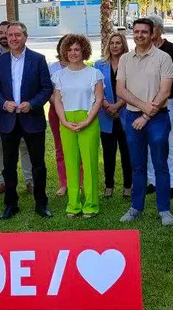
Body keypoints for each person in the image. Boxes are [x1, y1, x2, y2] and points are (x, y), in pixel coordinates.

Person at [116, 18, 173, 226]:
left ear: (153, 34)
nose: (140, 35)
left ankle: (164, 209)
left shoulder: (164, 58)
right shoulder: (125, 59)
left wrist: (147, 115)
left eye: (144, 32)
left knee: (160, 164)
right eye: (137, 31)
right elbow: (120, 90)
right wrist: (142, 108)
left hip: (158, 118)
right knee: (137, 165)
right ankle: (136, 208)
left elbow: (165, 91)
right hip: (133, 118)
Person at [0, 22, 53, 220]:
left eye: (18, 35)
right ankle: (11, 204)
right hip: (8, 119)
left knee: (38, 165)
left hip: (32, 118)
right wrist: (3, 104)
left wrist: (32, 104)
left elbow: (46, 89)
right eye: (10, 35)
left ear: (25, 37)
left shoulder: (38, 59)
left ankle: (41, 204)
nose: (14, 39)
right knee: (8, 165)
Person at [52, 35, 104, 218]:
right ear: (65, 51)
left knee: (89, 163)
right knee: (71, 163)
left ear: (83, 51)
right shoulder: (59, 75)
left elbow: (99, 99)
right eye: (70, 49)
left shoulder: (94, 73)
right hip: (66, 120)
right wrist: (64, 121)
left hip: (88, 119)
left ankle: (90, 204)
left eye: (77, 49)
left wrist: (88, 120)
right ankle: (73, 204)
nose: (73, 53)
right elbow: (57, 100)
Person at [0, 21, 34, 196]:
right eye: (2, 33)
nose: (6, 36)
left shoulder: (32, 57)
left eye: (10, 33)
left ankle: (30, 182)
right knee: (2, 150)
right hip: (2, 115)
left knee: (25, 148)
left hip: (26, 114)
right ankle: (2, 182)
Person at [148, 15, 173, 198]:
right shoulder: (142, 50)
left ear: (159, 29)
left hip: (168, 102)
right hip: (145, 103)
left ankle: (172, 183)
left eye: (151, 28)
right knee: (149, 142)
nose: (148, 32)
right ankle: (152, 180)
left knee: (167, 141)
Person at [94, 32, 132, 199]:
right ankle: (108, 186)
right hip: (105, 115)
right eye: (112, 43)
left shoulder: (131, 64)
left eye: (118, 43)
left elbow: (132, 89)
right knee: (108, 154)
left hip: (126, 114)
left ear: (123, 45)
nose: (115, 46)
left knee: (127, 154)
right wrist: (106, 105)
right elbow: (96, 88)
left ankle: (128, 186)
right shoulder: (99, 65)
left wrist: (117, 105)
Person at [48, 35, 76, 196]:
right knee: (61, 148)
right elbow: (47, 90)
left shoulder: (80, 67)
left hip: (76, 111)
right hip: (56, 111)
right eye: (66, 47)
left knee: (77, 148)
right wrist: (58, 105)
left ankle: (78, 182)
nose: (69, 51)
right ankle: (64, 183)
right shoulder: (52, 68)